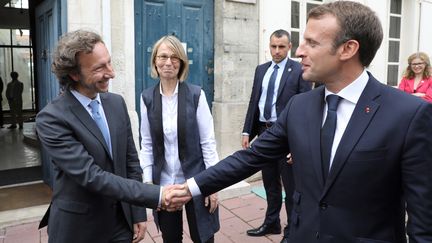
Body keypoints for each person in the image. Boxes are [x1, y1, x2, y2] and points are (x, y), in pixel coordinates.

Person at [166, 1, 432, 242]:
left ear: (348, 49)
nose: (300, 52)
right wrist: (190, 187)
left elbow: (423, 220)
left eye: (312, 43)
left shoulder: (409, 114)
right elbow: (250, 158)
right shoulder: (299, 107)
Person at [36, 29, 181, 243]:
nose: (111, 73)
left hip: (120, 224)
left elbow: (131, 161)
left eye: (109, 63)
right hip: (79, 229)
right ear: (74, 74)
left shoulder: (116, 103)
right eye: (100, 68)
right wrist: (158, 195)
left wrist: (137, 212)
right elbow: (92, 176)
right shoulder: (51, 119)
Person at [139, 35, 219, 243]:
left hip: (196, 180)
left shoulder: (196, 95)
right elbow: (146, 144)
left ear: (182, 62)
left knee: (204, 237)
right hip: (165, 184)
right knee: (171, 238)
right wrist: (148, 184)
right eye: (163, 56)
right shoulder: (147, 98)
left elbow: (208, 142)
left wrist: (213, 184)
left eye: (175, 57)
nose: (168, 62)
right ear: (155, 61)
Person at [241, 29, 311, 242]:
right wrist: (247, 131)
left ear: (289, 47)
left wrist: (297, 143)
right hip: (264, 133)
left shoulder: (299, 70)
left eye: (282, 47)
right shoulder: (261, 70)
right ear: (269, 46)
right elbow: (255, 101)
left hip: (288, 136)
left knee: (291, 188)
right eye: (273, 46)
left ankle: (292, 232)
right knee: (269, 183)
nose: (277, 51)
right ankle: (272, 223)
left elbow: (306, 108)